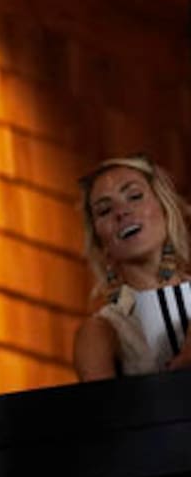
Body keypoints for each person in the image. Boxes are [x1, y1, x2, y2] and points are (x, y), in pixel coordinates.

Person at [73, 154, 191, 379]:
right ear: (100, 243)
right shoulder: (102, 331)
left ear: (165, 209)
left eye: (135, 196)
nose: (122, 212)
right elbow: (106, 412)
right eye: (105, 210)